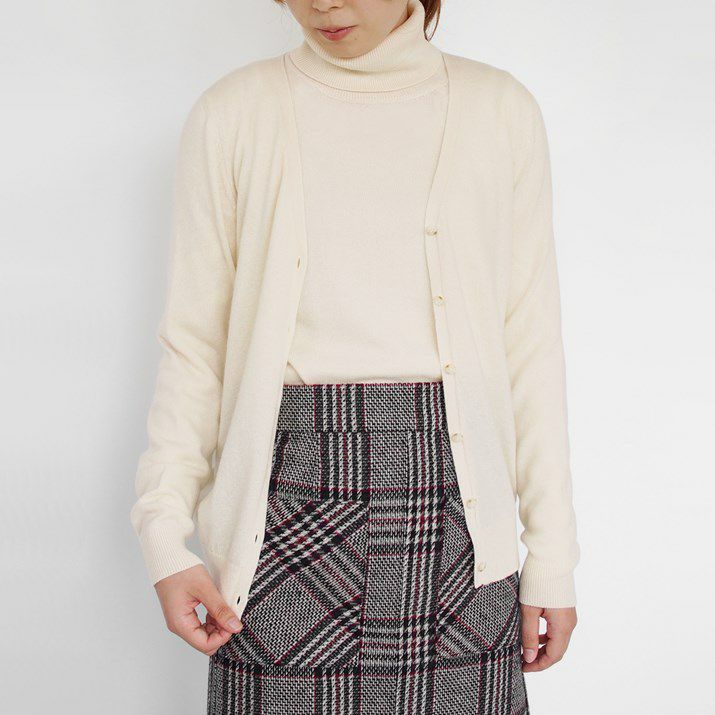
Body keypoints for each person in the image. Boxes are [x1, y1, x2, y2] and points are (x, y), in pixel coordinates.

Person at [130, 0, 579, 712]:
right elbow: (195, 345)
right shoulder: (235, 113)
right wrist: (164, 534)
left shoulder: (498, 111)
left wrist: (551, 556)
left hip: (461, 510)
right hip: (282, 504)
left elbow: (531, 347)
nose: (323, 4)